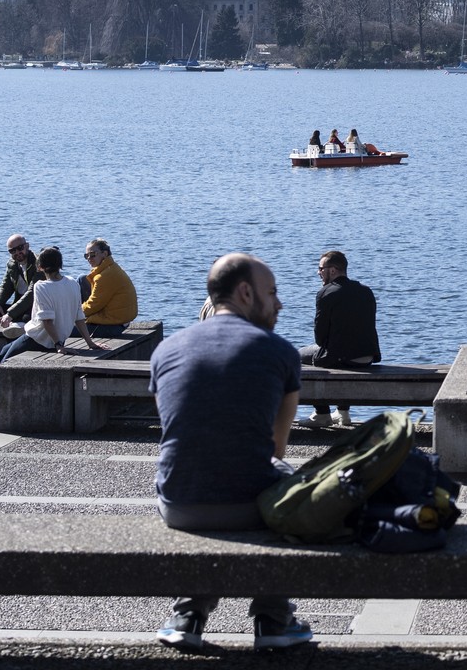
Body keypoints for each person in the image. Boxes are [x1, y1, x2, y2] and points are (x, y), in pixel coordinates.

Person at [150, 253, 312, 652]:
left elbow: (184, 433)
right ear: (245, 292)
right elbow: (275, 448)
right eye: (272, 293)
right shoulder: (280, 352)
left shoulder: (166, 351)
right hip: (247, 505)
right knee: (285, 485)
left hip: (179, 501)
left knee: (207, 467)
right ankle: (273, 620)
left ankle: (188, 615)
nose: (279, 304)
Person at [0, 247, 102, 377]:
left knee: (2, 365)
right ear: (60, 265)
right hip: (57, 339)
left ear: (40, 267)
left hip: (37, 339)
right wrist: (90, 343)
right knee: (4, 351)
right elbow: (79, 317)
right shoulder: (73, 283)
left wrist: (57, 345)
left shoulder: (41, 286)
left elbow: (47, 321)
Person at [299, 250, 380, 429]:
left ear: (333, 270)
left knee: (298, 356)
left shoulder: (325, 294)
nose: (318, 272)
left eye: (321, 268)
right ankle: (342, 413)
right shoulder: (366, 292)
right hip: (366, 358)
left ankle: (322, 414)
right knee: (341, 349)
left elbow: (320, 339)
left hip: (343, 359)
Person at [79, 238, 138, 337]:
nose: (89, 258)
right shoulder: (110, 267)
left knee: (63, 330)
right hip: (118, 319)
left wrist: (73, 314)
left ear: (104, 254)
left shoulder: (105, 276)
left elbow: (93, 305)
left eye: (92, 254)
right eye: (86, 255)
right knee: (81, 279)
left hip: (112, 325)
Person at [0, 234, 40, 328]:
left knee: (26, 318)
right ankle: (13, 326)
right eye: (12, 251)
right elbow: (5, 286)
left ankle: (15, 325)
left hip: (35, 305)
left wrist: (10, 314)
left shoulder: (38, 264)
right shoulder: (12, 264)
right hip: (19, 305)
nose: (17, 252)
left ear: (27, 246)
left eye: (20, 248)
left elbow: (32, 294)